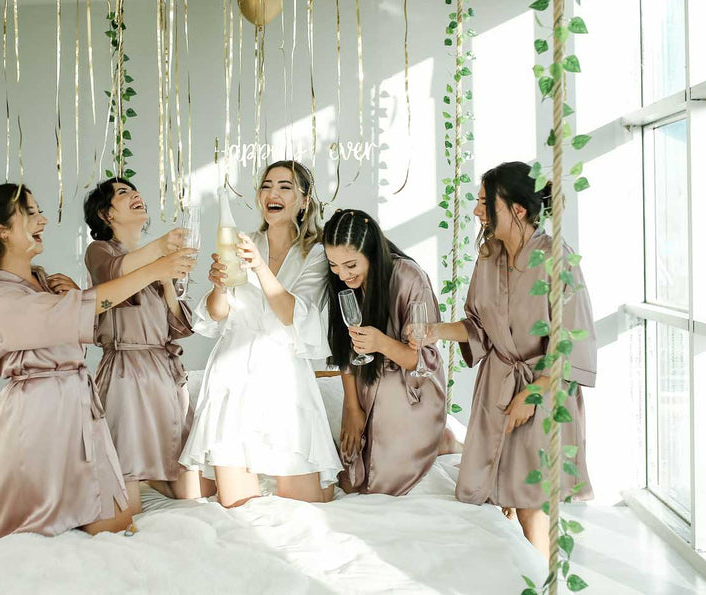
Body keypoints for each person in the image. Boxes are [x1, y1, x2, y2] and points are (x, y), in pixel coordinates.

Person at [0, 183, 196, 542]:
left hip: (82, 408)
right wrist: (153, 267)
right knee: (34, 531)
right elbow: (80, 310)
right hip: (38, 414)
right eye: (32, 213)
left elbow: (91, 309)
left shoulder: (45, 282)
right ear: (2, 230)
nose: (44, 220)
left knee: (115, 526)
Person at [411, 161, 596, 556]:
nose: (477, 211)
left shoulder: (556, 259)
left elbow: (571, 345)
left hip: (544, 393)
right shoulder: (489, 256)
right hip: (496, 391)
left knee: (531, 502)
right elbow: (479, 328)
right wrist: (434, 331)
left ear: (517, 209)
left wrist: (529, 398)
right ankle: (509, 576)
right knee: (495, 496)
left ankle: (543, 582)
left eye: (484, 202)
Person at [180, 161, 343, 507]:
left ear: (304, 200)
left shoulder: (315, 254)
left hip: (285, 380)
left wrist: (258, 266)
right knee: (240, 508)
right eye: (267, 186)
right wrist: (220, 286)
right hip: (233, 376)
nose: (273, 193)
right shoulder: (242, 242)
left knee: (309, 505)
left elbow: (294, 315)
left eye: (285, 187)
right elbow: (215, 317)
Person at [59, 178, 214, 499]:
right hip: (126, 374)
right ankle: (130, 482)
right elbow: (114, 274)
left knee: (197, 489)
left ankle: (152, 477)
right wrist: (159, 258)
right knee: (125, 477)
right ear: (105, 214)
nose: (136, 194)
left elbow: (180, 327)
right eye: (123, 193)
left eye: (135, 189)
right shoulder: (100, 251)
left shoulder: (161, 262)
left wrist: (169, 281)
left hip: (166, 375)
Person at [323, 209, 446, 495]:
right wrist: (353, 408)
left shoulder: (408, 278)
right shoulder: (342, 284)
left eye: (351, 264)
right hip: (368, 383)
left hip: (412, 389)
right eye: (334, 265)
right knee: (351, 477)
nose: (342, 274)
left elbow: (423, 362)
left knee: (384, 482)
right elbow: (344, 351)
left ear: (372, 252)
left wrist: (381, 344)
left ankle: (439, 439)